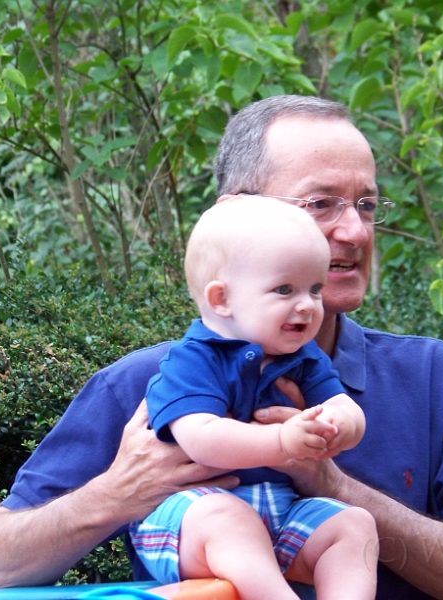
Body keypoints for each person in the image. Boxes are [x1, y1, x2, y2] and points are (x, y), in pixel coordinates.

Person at [0, 95, 443, 600]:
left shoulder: (437, 379)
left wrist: (336, 487)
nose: (356, 231)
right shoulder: (140, 385)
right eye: (321, 203)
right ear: (236, 214)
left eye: (365, 204)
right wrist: (115, 493)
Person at [130, 197, 376, 600]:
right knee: (227, 518)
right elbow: (202, 439)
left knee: (354, 524)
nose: (307, 305)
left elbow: (342, 405)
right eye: (285, 289)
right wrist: (281, 441)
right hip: (192, 518)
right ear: (221, 300)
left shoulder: (302, 357)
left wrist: (341, 425)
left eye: (314, 289)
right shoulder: (193, 360)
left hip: (279, 513)